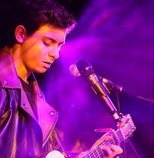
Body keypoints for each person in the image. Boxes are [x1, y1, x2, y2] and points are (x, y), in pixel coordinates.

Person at [0, 0, 123, 157]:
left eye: (59, 46)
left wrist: (87, 154)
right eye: (47, 43)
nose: (55, 54)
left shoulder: (37, 96)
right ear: (21, 34)